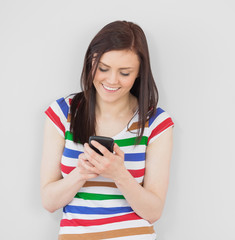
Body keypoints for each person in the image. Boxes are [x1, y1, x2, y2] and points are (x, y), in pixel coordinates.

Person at [41, 20, 174, 240]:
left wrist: (119, 174)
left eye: (125, 72)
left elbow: (153, 212)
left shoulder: (157, 122)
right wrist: (81, 173)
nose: (112, 80)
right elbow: (49, 202)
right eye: (103, 68)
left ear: (140, 72)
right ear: (90, 63)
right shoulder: (62, 113)